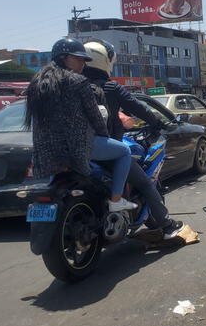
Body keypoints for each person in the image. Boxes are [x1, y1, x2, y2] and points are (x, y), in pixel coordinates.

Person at [82, 39, 183, 238]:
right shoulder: (110, 88)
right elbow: (139, 109)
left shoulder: (75, 86)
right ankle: (167, 226)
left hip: (73, 149)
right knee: (145, 183)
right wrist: (158, 123)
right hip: (104, 148)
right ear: (105, 61)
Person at [25, 38, 137, 212]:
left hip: (46, 150)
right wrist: (103, 136)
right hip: (78, 147)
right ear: (63, 58)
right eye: (78, 58)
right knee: (124, 151)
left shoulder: (36, 84)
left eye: (84, 60)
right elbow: (95, 116)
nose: (82, 64)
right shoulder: (78, 82)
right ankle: (116, 200)